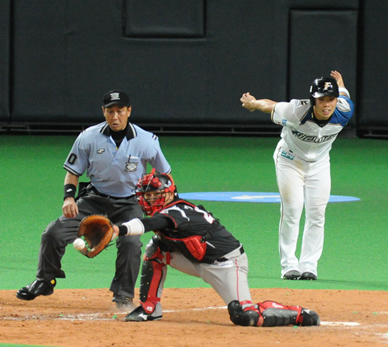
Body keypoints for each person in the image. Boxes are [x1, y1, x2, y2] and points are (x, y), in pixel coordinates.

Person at [16, 90, 172, 310]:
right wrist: (68, 197)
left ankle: (123, 295)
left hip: (130, 203)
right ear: (104, 112)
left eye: (120, 111)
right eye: (110, 111)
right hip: (93, 199)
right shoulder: (88, 137)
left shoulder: (147, 140)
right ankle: (45, 280)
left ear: (129, 111)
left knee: (130, 243)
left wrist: (161, 205)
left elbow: (164, 176)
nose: (115, 116)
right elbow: (73, 171)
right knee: (53, 233)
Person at [113, 171, 320, 327]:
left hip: (228, 264)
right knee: (155, 248)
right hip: (195, 260)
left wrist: (117, 230)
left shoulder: (180, 210)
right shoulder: (168, 212)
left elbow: (148, 224)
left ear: (169, 194)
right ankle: (150, 308)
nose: (150, 200)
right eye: (147, 196)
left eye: (155, 194)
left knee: (245, 315)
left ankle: (299, 313)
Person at [240, 70, 355, 281]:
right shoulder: (296, 111)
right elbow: (272, 106)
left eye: (331, 99)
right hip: (289, 160)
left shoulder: (344, 110)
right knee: (292, 210)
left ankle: (309, 265)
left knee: (317, 213)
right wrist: (254, 103)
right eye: (322, 99)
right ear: (314, 100)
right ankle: (289, 265)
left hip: (319, 164)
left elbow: (344, 95)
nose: (327, 104)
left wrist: (341, 83)